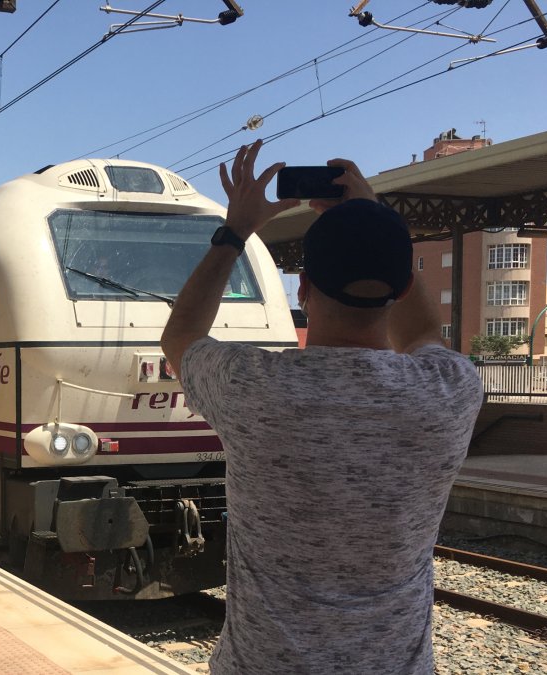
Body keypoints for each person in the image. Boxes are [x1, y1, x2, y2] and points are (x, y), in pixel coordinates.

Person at [160, 140, 484, 675]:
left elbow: (182, 335)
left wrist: (235, 230)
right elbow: (424, 330)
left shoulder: (255, 386)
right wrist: (373, 217)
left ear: (303, 288)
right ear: (402, 286)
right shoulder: (449, 390)